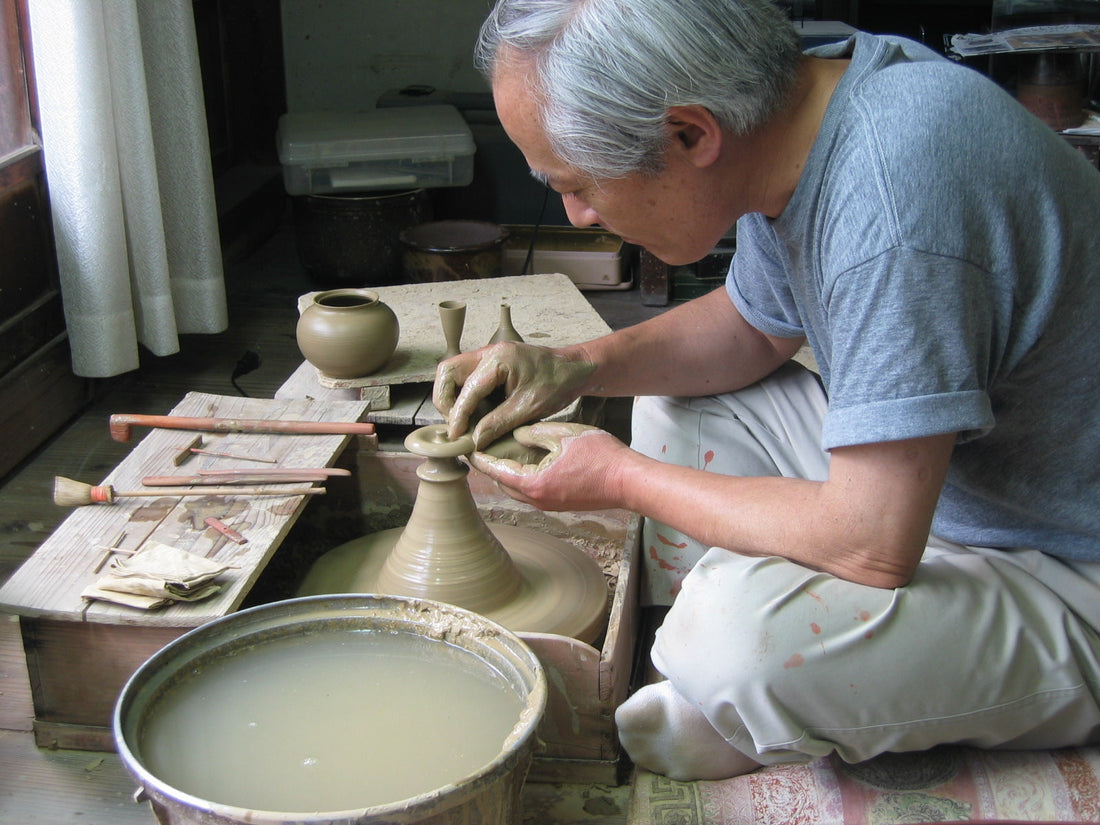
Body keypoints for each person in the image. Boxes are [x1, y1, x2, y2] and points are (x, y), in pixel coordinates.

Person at [433, 0, 1100, 780]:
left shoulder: (894, 202)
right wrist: (575, 364)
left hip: (1065, 556)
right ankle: (768, 676)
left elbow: (874, 542)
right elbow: (749, 329)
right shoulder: (803, 112)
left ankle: (755, 684)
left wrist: (618, 477)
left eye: (577, 185)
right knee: (677, 400)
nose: (578, 215)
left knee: (733, 643)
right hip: (961, 478)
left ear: (689, 135)